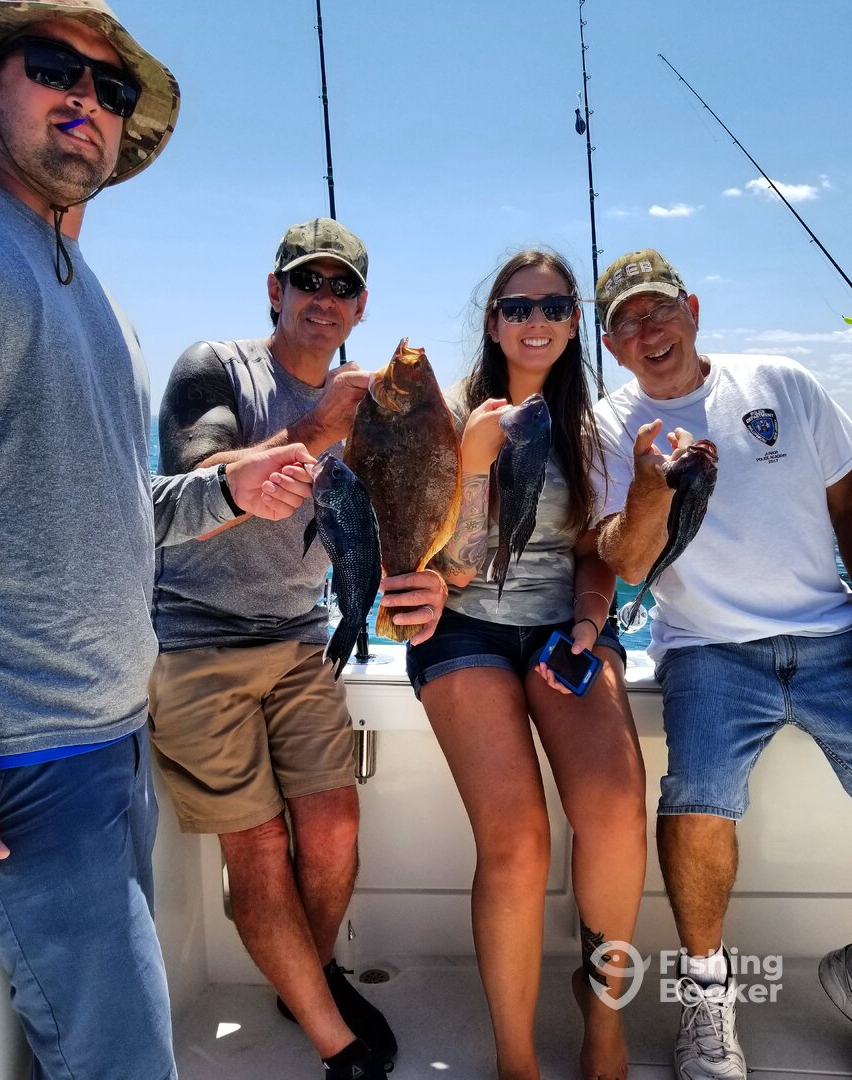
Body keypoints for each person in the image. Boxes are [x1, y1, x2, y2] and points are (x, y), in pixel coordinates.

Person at [0, 3, 316, 1078]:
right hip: (31, 751)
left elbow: (118, 508)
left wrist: (227, 490)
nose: (85, 99)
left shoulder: (91, 294)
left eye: (111, 88)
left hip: (112, 729)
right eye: (53, 68)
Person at [149, 217, 448, 1080]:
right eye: (307, 281)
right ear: (274, 290)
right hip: (195, 641)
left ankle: (304, 983)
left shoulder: (375, 415)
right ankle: (335, 1044)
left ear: (362, 306)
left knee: (333, 826)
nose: (324, 297)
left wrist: (430, 583)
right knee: (257, 847)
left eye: (341, 286)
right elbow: (197, 491)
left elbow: (409, 513)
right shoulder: (215, 367)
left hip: (301, 639)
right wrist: (317, 426)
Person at [593, 248, 852, 1079]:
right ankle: (708, 997)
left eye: (659, 308)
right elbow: (627, 565)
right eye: (627, 323)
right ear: (612, 347)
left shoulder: (784, 383)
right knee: (698, 798)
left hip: (834, 634)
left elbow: (847, 505)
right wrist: (649, 488)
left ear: (693, 309)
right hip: (706, 647)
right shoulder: (609, 424)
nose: (649, 330)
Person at [406, 249, 648, 1080]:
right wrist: (473, 463)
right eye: (517, 307)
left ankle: (603, 1019)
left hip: (563, 630)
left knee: (615, 810)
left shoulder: (597, 429)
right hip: (462, 628)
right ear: (493, 321)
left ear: (576, 322)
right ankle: (517, 1060)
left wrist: (587, 623)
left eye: (553, 306)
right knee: (516, 841)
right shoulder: (447, 415)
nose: (535, 321)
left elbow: (596, 553)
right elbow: (455, 569)